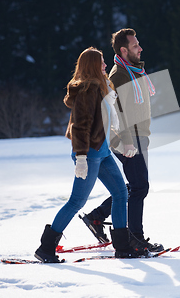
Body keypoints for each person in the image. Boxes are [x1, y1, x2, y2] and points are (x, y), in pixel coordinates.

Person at [34, 47, 146, 263]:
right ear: (93, 66)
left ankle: (122, 246)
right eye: (102, 62)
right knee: (77, 201)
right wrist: (82, 158)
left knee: (121, 193)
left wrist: (122, 143)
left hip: (102, 151)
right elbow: (80, 127)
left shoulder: (101, 88)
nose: (105, 66)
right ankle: (46, 247)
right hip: (89, 154)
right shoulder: (87, 91)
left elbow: (103, 123)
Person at [79, 29, 163, 252]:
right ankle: (135, 237)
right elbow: (118, 115)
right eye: (136, 46)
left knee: (136, 186)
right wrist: (128, 142)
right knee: (139, 187)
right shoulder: (119, 75)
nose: (140, 48)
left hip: (139, 136)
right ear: (124, 50)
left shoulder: (135, 71)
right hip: (129, 139)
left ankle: (97, 217)